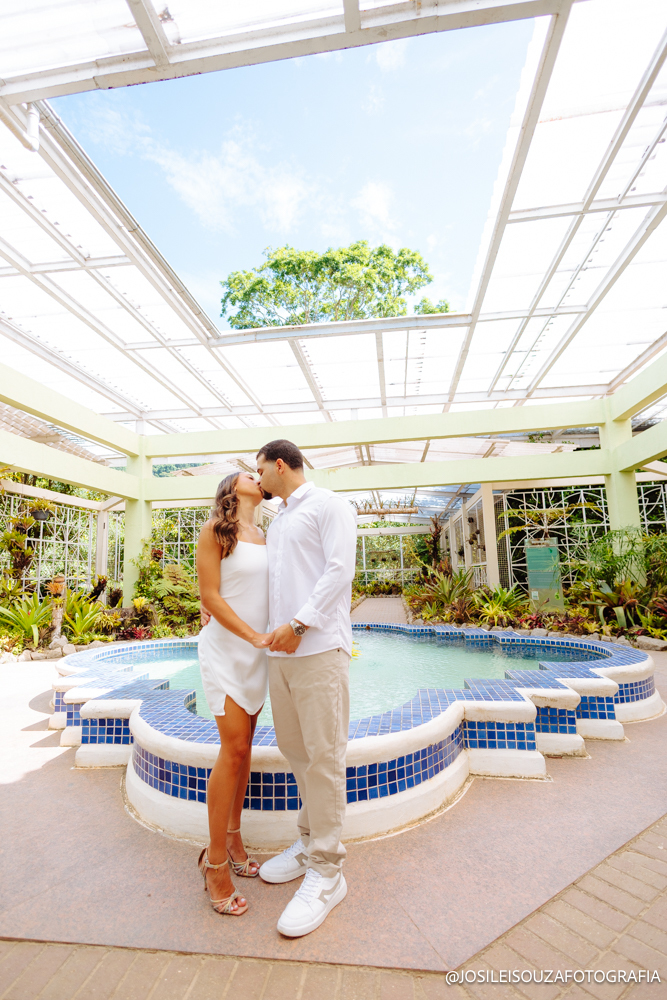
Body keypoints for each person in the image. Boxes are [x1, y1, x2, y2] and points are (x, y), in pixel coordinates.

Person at [255, 439, 357, 938]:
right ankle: (308, 839)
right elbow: (274, 583)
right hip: (280, 656)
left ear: (280, 465)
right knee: (296, 752)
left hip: (317, 650)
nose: (256, 480)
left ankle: (328, 872)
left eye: (260, 470)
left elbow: (341, 572)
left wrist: (298, 625)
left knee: (324, 757)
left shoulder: (330, 505)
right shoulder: (277, 521)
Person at [195, 471, 274, 916]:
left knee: (244, 753)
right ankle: (216, 864)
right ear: (232, 487)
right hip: (228, 649)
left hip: (257, 654)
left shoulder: (265, 533)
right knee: (235, 747)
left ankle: (234, 838)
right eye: (249, 471)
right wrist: (254, 636)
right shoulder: (215, 531)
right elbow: (210, 593)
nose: (257, 475)